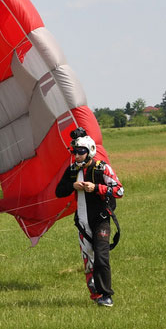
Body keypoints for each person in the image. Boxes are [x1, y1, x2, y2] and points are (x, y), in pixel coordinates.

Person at [54, 131, 124, 307]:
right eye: (75, 152)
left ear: (90, 151)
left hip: (101, 220)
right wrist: (72, 186)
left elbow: (119, 191)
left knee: (101, 256)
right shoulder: (72, 171)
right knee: (88, 260)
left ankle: (106, 295)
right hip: (83, 223)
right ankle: (96, 294)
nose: (77, 155)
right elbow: (58, 191)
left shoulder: (102, 168)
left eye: (81, 152)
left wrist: (97, 188)